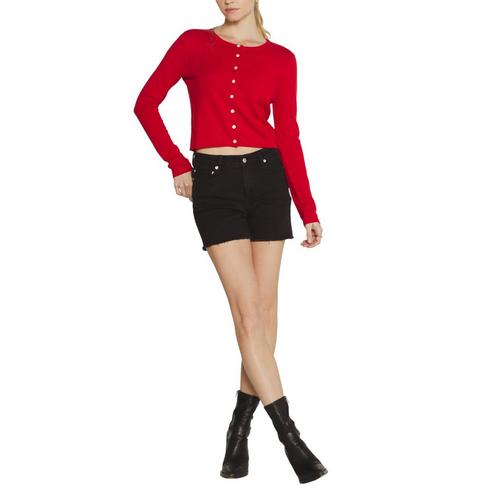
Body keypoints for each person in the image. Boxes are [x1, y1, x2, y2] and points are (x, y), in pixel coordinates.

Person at [133, 0, 327, 484]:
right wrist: (177, 163)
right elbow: (145, 103)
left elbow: (289, 134)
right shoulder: (193, 44)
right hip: (215, 185)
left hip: (268, 180)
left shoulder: (282, 59)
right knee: (248, 313)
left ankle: (238, 431)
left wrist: (307, 208)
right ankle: (292, 440)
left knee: (266, 313)